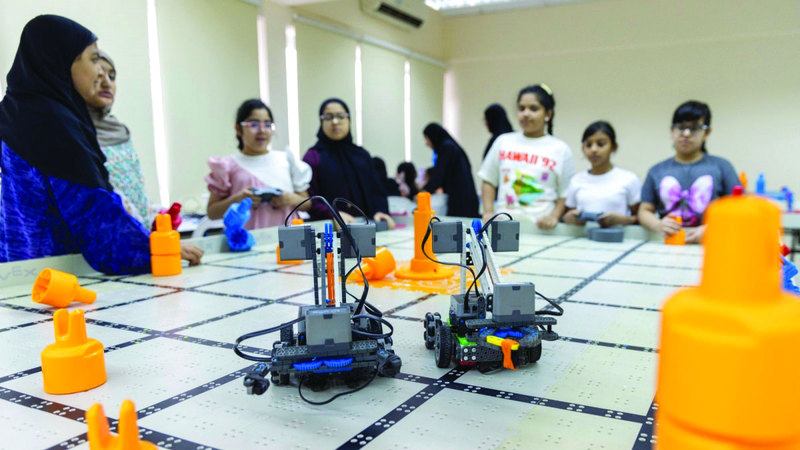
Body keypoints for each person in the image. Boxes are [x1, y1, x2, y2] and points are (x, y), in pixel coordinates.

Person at [0, 15, 202, 273]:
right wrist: (155, 248)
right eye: (93, 59)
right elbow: (93, 218)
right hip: (60, 275)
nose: (99, 72)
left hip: (18, 268)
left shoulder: (15, 111)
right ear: (64, 60)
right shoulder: (52, 123)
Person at [638, 100, 740, 243]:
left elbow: (739, 208)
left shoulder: (722, 167)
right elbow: (644, 210)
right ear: (672, 131)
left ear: (707, 133)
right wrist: (657, 225)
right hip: (668, 244)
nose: (686, 134)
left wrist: (713, 228)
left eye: (694, 128)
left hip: (711, 244)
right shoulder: (657, 170)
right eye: (680, 127)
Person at [478, 84, 575, 229]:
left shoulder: (560, 149)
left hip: (542, 229)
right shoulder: (503, 142)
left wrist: (554, 216)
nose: (526, 114)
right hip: (504, 226)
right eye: (521, 108)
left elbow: (566, 192)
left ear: (548, 114)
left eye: (533, 109)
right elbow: (488, 180)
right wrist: (488, 212)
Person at [206, 99, 311, 229]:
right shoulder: (227, 165)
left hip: (288, 237)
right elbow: (212, 212)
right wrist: (238, 199)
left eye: (267, 124)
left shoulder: (287, 160)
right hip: (244, 238)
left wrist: (291, 199)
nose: (262, 130)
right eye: (254, 124)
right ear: (238, 129)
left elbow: (308, 203)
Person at [302, 98, 394, 228]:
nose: (335, 121)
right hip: (329, 230)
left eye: (341, 116)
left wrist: (381, 211)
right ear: (321, 122)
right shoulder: (313, 157)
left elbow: (376, 191)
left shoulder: (362, 155)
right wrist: (332, 214)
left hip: (366, 227)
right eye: (328, 117)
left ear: (349, 120)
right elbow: (310, 200)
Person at [84, 49, 150, 227]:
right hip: (104, 229)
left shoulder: (120, 130)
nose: (107, 83)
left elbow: (135, 190)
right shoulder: (76, 132)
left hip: (138, 230)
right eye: (98, 76)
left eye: (112, 77)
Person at [562, 121, 641, 227]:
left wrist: (624, 220)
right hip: (583, 236)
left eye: (601, 144)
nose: (594, 150)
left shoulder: (628, 179)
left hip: (618, 235)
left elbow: (639, 217)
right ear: (582, 148)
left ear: (613, 147)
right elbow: (568, 214)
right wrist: (569, 218)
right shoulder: (576, 180)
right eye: (588, 145)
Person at [422, 123, 479, 218]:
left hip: (461, 200)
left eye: (426, 139)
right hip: (465, 198)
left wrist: (424, 193)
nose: (427, 143)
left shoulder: (447, 147)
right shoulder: (451, 146)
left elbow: (439, 174)